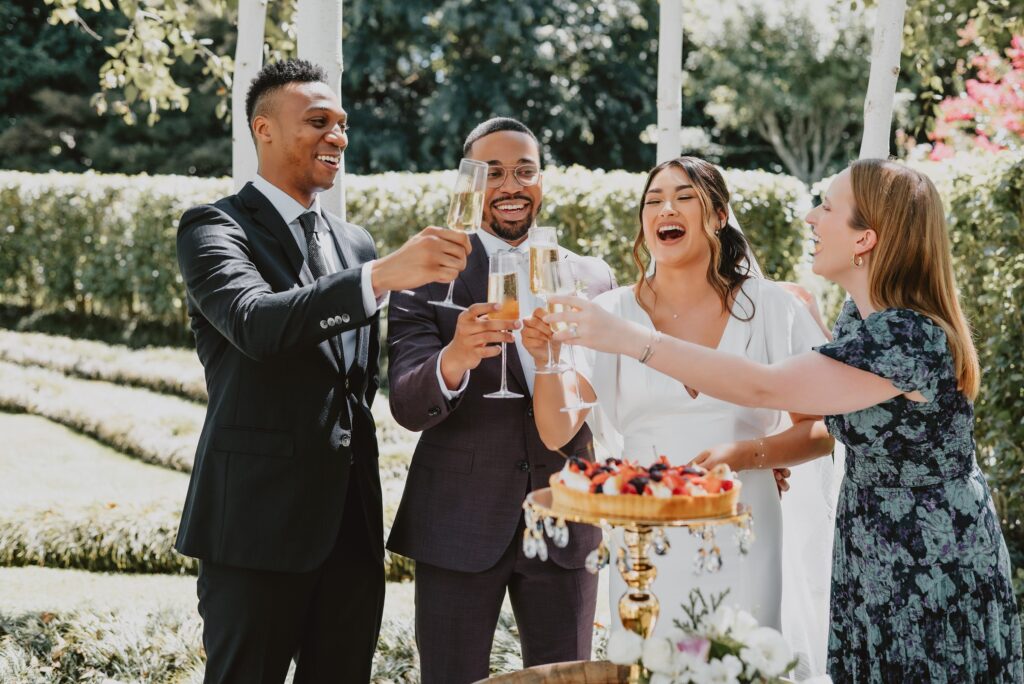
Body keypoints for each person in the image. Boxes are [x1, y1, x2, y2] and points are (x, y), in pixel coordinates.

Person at [544, 158, 1024, 682]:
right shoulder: (856, 320)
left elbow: (764, 387)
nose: (810, 218)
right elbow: (825, 419)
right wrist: (758, 453)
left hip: (929, 557)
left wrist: (632, 341)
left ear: (865, 239)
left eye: (828, 207)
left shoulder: (907, 339)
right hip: (867, 546)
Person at [174, 59, 472, 684]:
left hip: (350, 527)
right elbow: (256, 323)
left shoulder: (355, 242)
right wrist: (383, 276)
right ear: (264, 129)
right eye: (317, 122)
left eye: (342, 124)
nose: (337, 136)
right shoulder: (213, 227)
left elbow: (357, 383)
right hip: (254, 528)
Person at [523, 155, 837, 674]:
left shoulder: (772, 307)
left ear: (718, 216)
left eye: (684, 196)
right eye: (653, 200)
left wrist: (748, 454)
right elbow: (558, 429)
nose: (665, 208)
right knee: (652, 664)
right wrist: (545, 362)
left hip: (743, 519)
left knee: (745, 662)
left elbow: (821, 429)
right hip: (645, 532)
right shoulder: (614, 314)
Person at [385, 117, 617, 684]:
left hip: (565, 521)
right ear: (469, 184)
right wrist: (457, 357)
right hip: (457, 522)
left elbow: (617, 391)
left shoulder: (590, 278)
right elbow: (407, 403)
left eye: (524, 171)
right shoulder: (425, 277)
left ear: (542, 180)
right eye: (493, 173)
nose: (510, 185)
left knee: (567, 680)